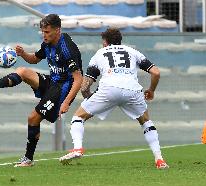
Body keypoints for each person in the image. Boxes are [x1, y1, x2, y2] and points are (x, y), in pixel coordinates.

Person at [0, 14, 83, 167]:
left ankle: (28, 159)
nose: (44, 35)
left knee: (33, 118)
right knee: (23, 71)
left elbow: (78, 79)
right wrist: (23, 54)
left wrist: (65, 103)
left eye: (47, 32)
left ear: (57, 30)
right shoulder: (47, 43)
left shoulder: (67, 49)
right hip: (53, 82)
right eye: (42, 32)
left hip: (62, 89)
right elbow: (35, 59)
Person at [59, 28, 169, 169]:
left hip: (108, 89)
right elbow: (156, 72)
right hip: (132, 90)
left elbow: (85, 86)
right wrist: (151, 90)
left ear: (105, 42)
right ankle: (159, 160)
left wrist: (90, 98)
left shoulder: (100, 53)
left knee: (78, 117)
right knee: (146, 122)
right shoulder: (132, 51)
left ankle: (78, 148)